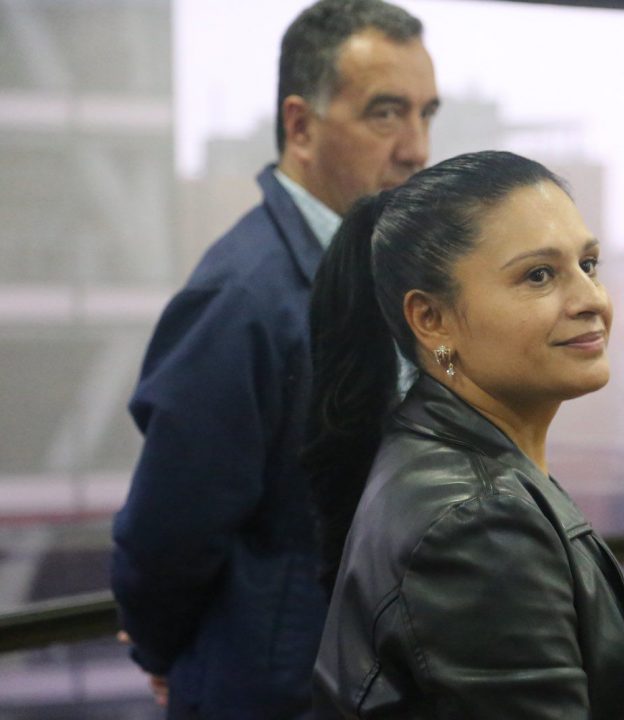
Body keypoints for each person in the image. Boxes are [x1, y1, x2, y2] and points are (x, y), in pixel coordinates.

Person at [110, 1, 439, 717]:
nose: (416, 147)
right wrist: (174, 655)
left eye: (426, 114)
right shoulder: (244, 295)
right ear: (300, 126)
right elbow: (167, 536)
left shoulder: (378, 274)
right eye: (386, 113)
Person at [305, 150, 624, 719]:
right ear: (432, 320)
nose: (590, 300)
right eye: (539, 275)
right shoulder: (478, 522)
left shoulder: (453, 457)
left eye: (588, 264)